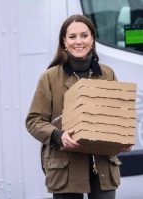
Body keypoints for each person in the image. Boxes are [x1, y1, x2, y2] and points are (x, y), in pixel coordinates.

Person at [25, 14, 125, 199]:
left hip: (103, 166)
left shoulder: (107, 74)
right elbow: (34, 121)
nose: (78, 41)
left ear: (92, 39)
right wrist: (58, 135)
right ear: (64, 41)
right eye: (72, 37)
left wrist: (121, 137)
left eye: (84, 35)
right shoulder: (50, 77)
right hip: (65, 168)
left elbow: (119, 115)